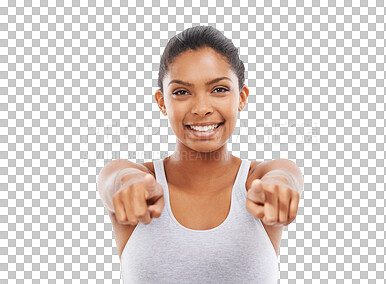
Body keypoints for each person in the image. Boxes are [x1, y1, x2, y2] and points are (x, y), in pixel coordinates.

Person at [97, 25, 304, 284]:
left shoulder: (258, 182)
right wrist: (127, 184)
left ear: (241, 97)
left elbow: (284, 174)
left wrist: (280, 186)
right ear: (162, 102)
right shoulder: (138, 182)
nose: (202, 108)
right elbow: (115, 178)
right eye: (181, 92)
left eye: (219, 89)